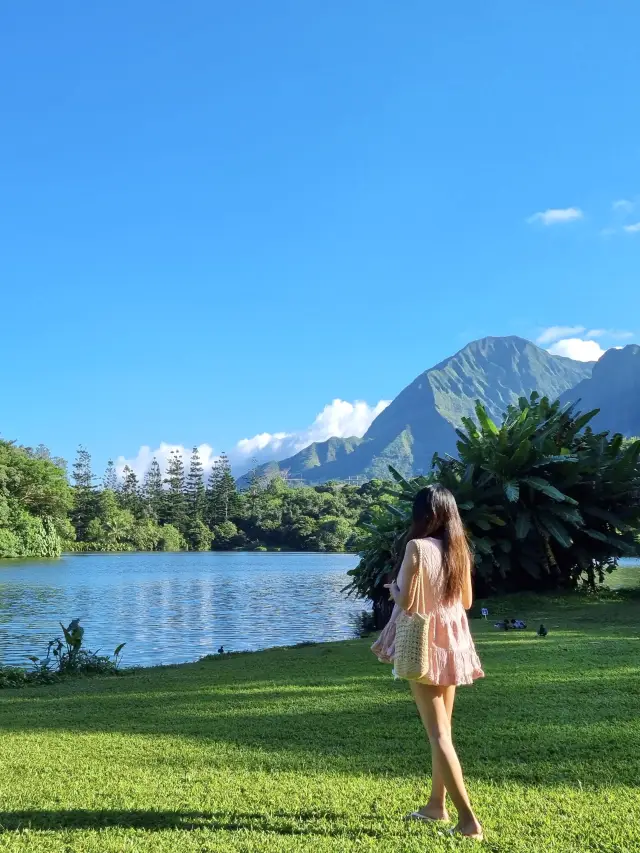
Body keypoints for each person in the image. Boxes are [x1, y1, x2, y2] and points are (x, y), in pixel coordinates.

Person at [371, 485, 484, 840]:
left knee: (437, 734)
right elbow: (466, 601)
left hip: (424, 643)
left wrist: (393, 589)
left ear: (425, 515)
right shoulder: (459, 549)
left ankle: (468, 822)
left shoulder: (416, 547)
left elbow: (407, 602)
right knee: (443, 731)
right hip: (453, 642)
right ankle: (436, 805)